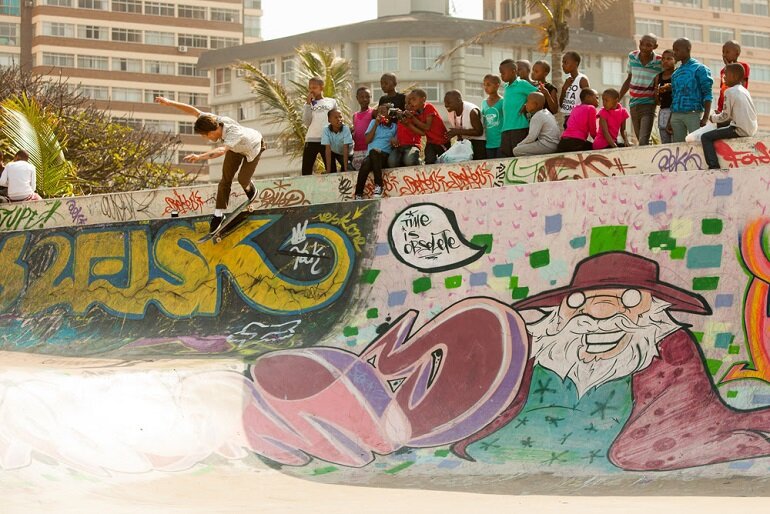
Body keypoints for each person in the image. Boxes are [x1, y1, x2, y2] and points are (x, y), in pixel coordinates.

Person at [155, 96, 263, 233]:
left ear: (212, 132)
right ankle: (218, 214)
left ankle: (250, 189)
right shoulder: (212, 120)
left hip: (253, 147)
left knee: (243, 179)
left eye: (205, 136)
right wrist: (170, 103)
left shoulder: (234, 132)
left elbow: (220, 151)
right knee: (225, 179)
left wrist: (200, 156)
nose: (206, 139)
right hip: (235, 148)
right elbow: (193, 111)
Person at [702, 63, 758, 170]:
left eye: (725, 75)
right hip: (751, 128)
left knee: (705, 137)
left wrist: (712, 117)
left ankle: (713, 166)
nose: (723, 78)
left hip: (739, 130)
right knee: (720, 130)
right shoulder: (744, 90)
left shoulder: (729, 91)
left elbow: (725, 116)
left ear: (734, 76)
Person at [619, 34, 662, 146]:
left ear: (655, 47)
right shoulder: (632, 56)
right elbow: (629, 79)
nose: (644, 47)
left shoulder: (659, 61)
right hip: (633, 104)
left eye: (648, 45)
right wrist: (617, 99)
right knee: (640, 138)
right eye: (642, 44)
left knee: (643, 140)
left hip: (649, 104)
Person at [668, 38, 713, 143]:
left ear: (687, 49)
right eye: (674, 50)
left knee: (698, 145)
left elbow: (707, 94)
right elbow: (674, 97)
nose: (674, 53)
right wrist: (670, 120)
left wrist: (705, 117)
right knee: (678, 148)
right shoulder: (675, 73)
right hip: (676, 115)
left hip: (694, 114)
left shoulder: (700, 69)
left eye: (677, 49)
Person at [353, 104, 397, 200]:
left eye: (383, 112)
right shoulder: (373, 122)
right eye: (379, 112)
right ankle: (359, 194)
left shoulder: (394, 127)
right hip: (371, 155)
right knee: (366, 162)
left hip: (384, 155)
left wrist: (394, 141)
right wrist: (376, 125)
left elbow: (397, 142)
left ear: (389, 114)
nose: (380, 114)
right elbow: (367, 140)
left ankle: (376, 187)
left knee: (371, 156)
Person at [499, 59, 537, 157]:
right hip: (506, 129)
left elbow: (538, 95)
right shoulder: (506, 87)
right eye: (500, 73)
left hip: (519, 128)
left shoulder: (522, 84)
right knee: (506, 157)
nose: (501, 75)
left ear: (513, 71)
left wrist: (526, 105)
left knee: (519, 157)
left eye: (503, 73)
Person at [302, 76, 338, 175]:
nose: (311, 90)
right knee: (306, 171)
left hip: (327, 140)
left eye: (314, 87)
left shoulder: (331, 102)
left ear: (321, 88)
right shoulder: (307, 105)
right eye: (310, 88)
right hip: (311, 140)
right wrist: (308, 105)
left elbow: (336, 119)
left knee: (332, 170)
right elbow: (306, 122)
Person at [403, 88, 448, 165]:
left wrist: (412, 118)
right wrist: (408, 123)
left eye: (414, 99)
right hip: (430, 141)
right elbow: (422, 132)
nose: (411, 102)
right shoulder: (415, 113)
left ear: (423, 100)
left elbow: (427, 127)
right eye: (410, 100)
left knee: (445, 161)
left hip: (442, 141)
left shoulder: (428, 107)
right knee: (429, 161)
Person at [444, 90, 486, 160]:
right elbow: (459, 131)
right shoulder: (451, 112)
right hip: (465, 142)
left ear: (458, 100)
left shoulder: (471, 111)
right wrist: (453, 134)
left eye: (449, 102)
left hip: (478, 142)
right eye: (445, 103)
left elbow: (479, 132)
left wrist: (458, 131)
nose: (446, 105)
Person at [716, 40, 750, 126]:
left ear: (737, 54)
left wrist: (728, 67)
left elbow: (740, 86)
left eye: (727, 52)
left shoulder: (743, 66)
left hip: (736, 108)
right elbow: (722, 90)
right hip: (724, 108)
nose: (724, 55)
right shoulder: (722, 71)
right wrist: (719, 109)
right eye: (723, 52)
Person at [556, 88, 599, 153]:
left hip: (563, 143)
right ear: (588, 97)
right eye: (596, 97)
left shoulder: (575, 108)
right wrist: (599, 142)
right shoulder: (591, 108)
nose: (598, 101)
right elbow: (592, 131)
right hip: (576, 143)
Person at [559, 51, 590, 127]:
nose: (563, 65)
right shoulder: (568, 80)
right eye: (562, 63)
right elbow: (561, 105)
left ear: (576, 63)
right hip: (567, 117)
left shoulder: (582, 79)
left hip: (577, 118)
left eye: (566, 62)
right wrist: (564, 89)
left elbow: (588, 101)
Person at [653, 49, 675, 144]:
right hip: (663, 111)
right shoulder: (658, 77)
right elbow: (657, 102)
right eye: (663, 59)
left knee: (675, 142)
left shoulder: (677, 74)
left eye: (669, 59)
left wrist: (668, 88)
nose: (665, 61)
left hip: (675, 111)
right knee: (665, 143)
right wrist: (656, 94)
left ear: (676, 60)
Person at [321, 109, 353, 173]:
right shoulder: (326, 130)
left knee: (349, 170)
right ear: (329, 120)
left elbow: (345, 149)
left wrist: (346, 169)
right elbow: (327, 149)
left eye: (340, 117)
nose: (339, 119)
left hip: (346, 154)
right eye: (336, 117)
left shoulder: (345, 129)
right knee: (331, 171)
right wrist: (328, 170)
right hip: (333, 152)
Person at [481, 74, 504, 159]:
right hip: (489, 143)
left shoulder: (503, 101)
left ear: (497, 85)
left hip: (501, 142)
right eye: (484, 84)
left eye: (488, 84)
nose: (485, 87)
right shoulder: (483, 103)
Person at [352, 86, 374, 170]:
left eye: (367, 97)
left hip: (369, 149)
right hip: (357, 150)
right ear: (357, 98)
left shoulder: (373, 113)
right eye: (362, 97)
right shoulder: (355, 115)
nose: (365, 99)